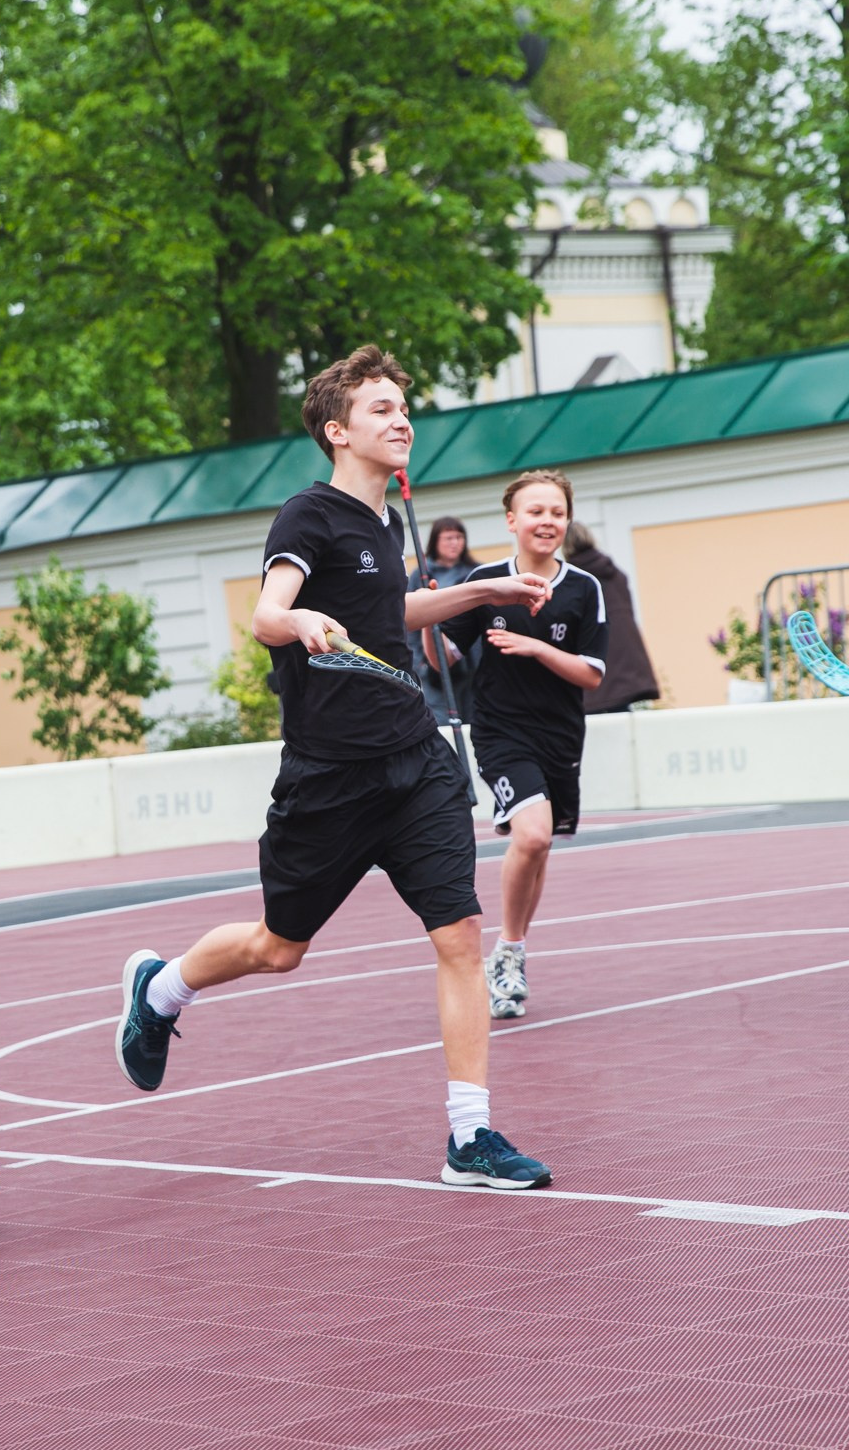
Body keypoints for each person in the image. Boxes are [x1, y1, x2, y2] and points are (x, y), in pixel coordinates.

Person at [114, 345, 557, 1190]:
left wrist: (477, 593)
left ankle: (472, 1137)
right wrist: (304, 620)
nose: (402, 420)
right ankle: (161, 989)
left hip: (414, 760)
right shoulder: (306, 517)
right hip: (329, 777)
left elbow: (386, 614)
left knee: (459, 936)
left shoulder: (387, 522)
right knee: (280, 948)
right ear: (337, 431)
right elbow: (266, 616)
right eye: (382, 409)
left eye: (403, 407)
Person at [441, 472, 607, 1021]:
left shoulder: (584, 587)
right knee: (531, 835)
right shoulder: (485, 581)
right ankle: (508, 950)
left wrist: (535, 647)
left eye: (556, 512)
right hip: (500, 731)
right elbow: (445, 653)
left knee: (539, 847)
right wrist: (433, 611)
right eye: (535, 511)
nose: (547, 522)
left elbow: (591, 674)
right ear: (511, 520)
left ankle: (511, 950)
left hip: (560, 736)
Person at [564, 524, 661, 713]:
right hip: (626, 660)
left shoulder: (573, 579)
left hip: (598, 660)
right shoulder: (614, 572)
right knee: (621, 718)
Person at [412, 515, 477, 727]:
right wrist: (418, 663)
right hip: (432, 670)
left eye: (459, 537)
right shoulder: (421, 575)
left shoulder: (475, 572)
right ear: (435, 541)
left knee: (473, 723)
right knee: (442, 726)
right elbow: (409, 620)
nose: (455, 543)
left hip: (472, 668)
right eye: (448, 538)